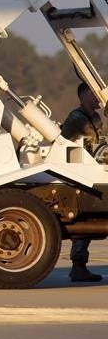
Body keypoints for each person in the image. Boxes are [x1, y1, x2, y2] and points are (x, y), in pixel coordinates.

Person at [61, 82, 104, 282]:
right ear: (84, 95)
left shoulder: (93, 117)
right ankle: (78, 267)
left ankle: (79, 267)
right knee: (83, 220)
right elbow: (94, 142)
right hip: (77, 173)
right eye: (94, 94)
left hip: (89, 170)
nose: (98, 98)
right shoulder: (77, 118)